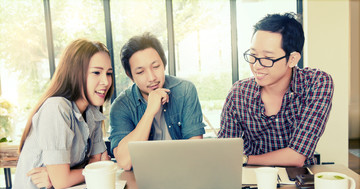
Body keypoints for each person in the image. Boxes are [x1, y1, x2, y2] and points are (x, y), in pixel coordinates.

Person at [7, 39, 114, 189]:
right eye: (96, 73)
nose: (106, 81)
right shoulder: (56, 108)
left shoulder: (92, 112)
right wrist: (89, 171)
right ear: (75, 73)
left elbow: (97, 164)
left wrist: (64, 175)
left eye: (108, 73)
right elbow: (69, 178)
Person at [218, 12, 334, 167]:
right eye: (253, 55)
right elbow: (225, 151)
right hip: (250, 179)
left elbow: (297, 156)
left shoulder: (317, 83)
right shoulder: (239, 92)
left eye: (267, 58)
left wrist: (244, 159)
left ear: (292, 59)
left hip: (297, 181)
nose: (256, 65)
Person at [109, 32, 205, 170]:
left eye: (155, 67)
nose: (151, 77)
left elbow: (195, 150)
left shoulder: (185, 90)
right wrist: (150, 112)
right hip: (141, 178)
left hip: (183, 170)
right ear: (130, 76)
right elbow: (124, 162)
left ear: (164, 64)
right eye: (140, 72)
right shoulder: (121, 106)